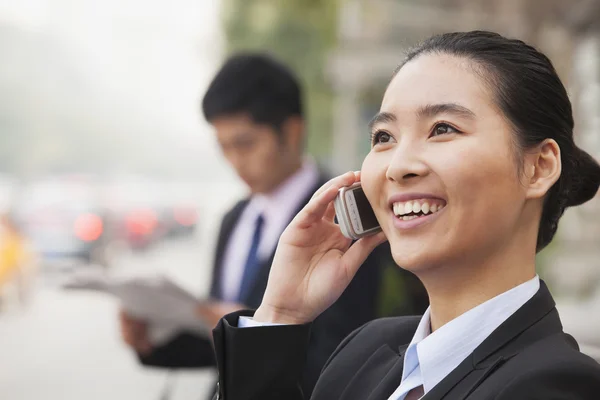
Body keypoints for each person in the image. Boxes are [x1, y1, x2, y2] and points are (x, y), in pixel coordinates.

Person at [210, 31, 600, 400]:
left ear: (539, 167)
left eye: (442, 128)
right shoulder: (363, 354)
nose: (398, 166)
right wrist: (281, 313)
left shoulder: (556, 385)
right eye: (384, 137)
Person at [119, 53, 425, 398]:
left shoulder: (346, 218)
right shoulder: (233, 220)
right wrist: (153, 344)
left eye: (245, 143)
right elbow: (222, 351)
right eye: (223, 147)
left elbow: (349, 358)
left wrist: (265, 329)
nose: (235, 161)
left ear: (291, 132)